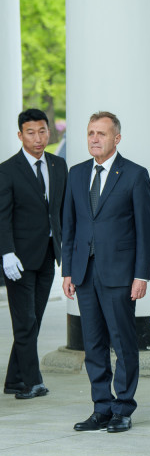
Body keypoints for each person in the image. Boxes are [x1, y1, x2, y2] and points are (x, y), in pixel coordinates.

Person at [62, 111, 150, 433]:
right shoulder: (76, 174)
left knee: (123, 342)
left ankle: (123, 408)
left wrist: (141, 275)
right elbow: (69, 227)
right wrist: (68, 271)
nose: (94, 139)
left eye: (101, 134)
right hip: (84, 273)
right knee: (94, 344)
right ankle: (101, 407)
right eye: (90, 133)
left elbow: (146, 230)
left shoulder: (134, 175)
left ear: (116, 138)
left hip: (120, 275)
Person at [1, 109, 67, 399]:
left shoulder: (58, 165)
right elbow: (2, 216)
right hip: (18, 260)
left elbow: (60, 210)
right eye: (31, 132)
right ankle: (32, 381)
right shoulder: (7, 170)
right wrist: (6, 253)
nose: (38, 138)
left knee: (35, 321)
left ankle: (14, 380)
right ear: (20, 135)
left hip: (48, 255)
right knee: (25, 322)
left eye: (42, 131)